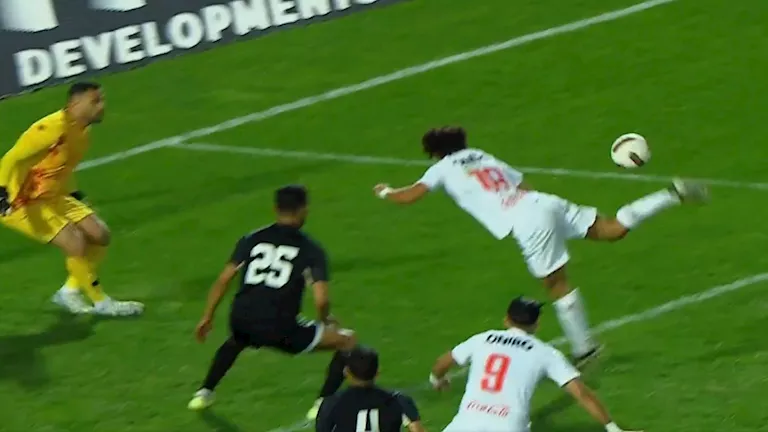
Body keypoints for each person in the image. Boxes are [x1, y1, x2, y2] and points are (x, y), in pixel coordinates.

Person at [372, 126, 708, 364]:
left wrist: (386, 191)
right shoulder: (481, 155)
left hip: (526, 220)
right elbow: (522, 183)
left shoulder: (442, 168)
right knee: (611, 230)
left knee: (556, 284)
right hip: (541, 202)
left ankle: (585, 350)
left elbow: (410, 196)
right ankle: (669, 195)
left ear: (436, 151)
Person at [189, 185, 359, 414]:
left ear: (275, 209)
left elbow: (224, 279)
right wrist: (325, 319)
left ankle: (204, 393)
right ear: (304, 209)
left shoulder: (252, 238)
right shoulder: (311, 249)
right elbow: (321, 299)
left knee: (238, 339)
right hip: (281, 329)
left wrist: (207, 317)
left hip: (241, 320)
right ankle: (323, 404)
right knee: (347, 340)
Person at [0, 82, 144, 316]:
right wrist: (1, 193)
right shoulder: (50, 129)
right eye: (95, 101)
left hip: (52, 195)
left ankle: (68, 292)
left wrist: (74, 194)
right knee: (75, 242)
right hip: (20, 200)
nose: (102, 106)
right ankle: (101, 302)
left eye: (101, 100)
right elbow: (11, 158)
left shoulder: (82, 133)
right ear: (75, 104)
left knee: (99, 235)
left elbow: (62, 168)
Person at [430, 296, 642, 432]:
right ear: (537, 324)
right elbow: (580, 392)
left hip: (466, 423)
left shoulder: (483, 339)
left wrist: (436, 379)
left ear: (506, 320)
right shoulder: (545, 353)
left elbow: (443, 362)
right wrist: (613, 428)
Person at [315, 346, 426, 432]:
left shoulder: (331, 403)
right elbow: (416, 429)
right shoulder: (399, 400)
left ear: (346, 372)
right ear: (377, 372)